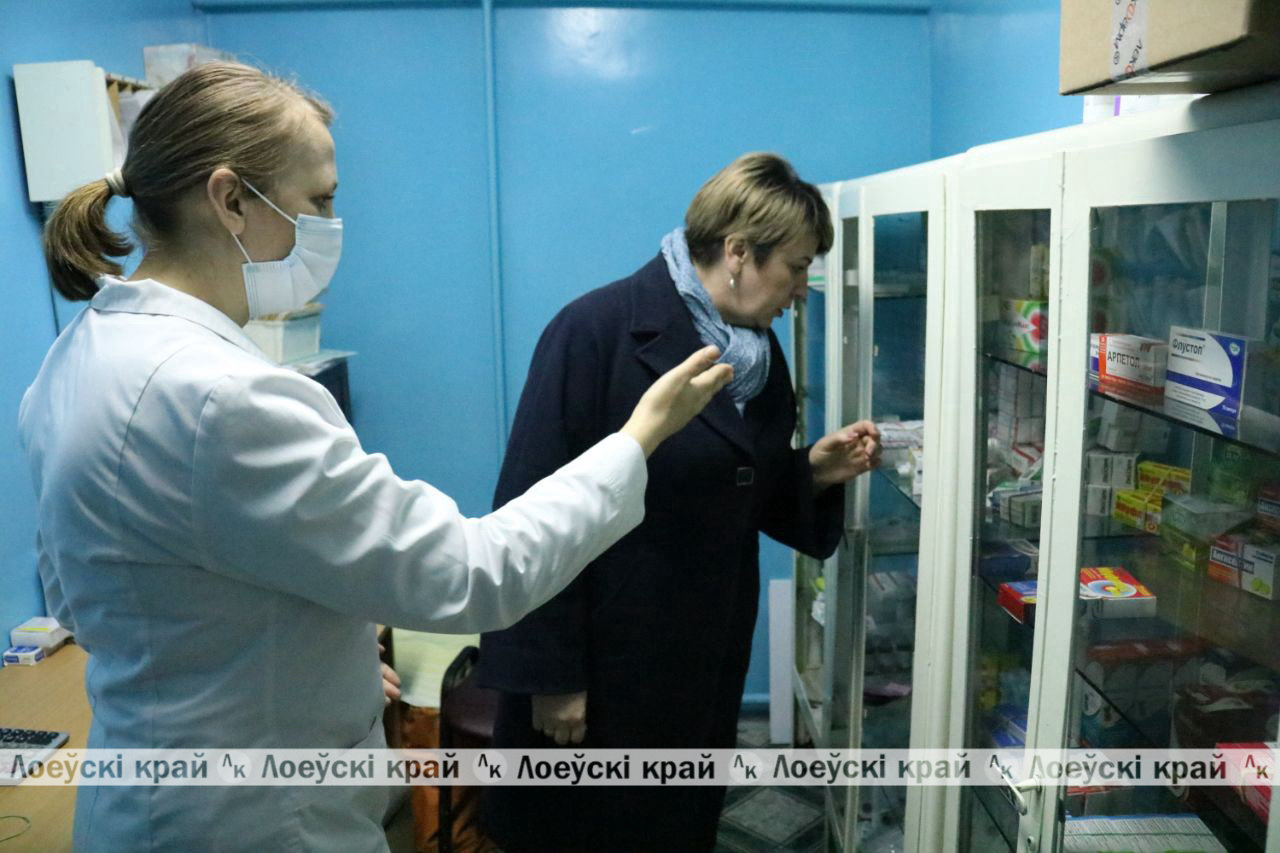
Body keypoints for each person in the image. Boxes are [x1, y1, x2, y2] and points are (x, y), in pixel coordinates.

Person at [19, 62, 731, 852]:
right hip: (255, 818)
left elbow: (84, 600)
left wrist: (325, 656)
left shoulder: (77, 357)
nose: (333, 222)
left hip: (141, 795)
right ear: (230, 200)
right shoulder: (224, 398)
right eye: (320, 199)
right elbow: (474, 572)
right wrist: (637, 439)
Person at [477, 152, 882, 851]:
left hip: (701, 655)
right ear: (738, 252)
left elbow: (733, 487)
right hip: (604, 661)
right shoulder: (595, 331)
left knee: (676, 824)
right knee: (584, 832)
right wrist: (551, 676)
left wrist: (812, 472)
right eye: (796, 267)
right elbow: (526, 510)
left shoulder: (755, 356)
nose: (802, 289)